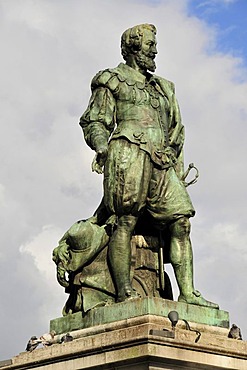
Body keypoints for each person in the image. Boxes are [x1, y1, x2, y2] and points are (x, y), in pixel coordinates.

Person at [80, 24, 218, 308]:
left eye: (154, 44)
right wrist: (103, 148)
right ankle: (124, 292)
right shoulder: (112, 79)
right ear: (132, 46)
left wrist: (174, 162)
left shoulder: (163, 87)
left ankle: (188, 293)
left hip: (162, 160)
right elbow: (95, 121)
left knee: (181, 221)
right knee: (125, 221)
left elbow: (175, 129)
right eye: (149, 44)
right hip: (128, 154)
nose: (154, 50)